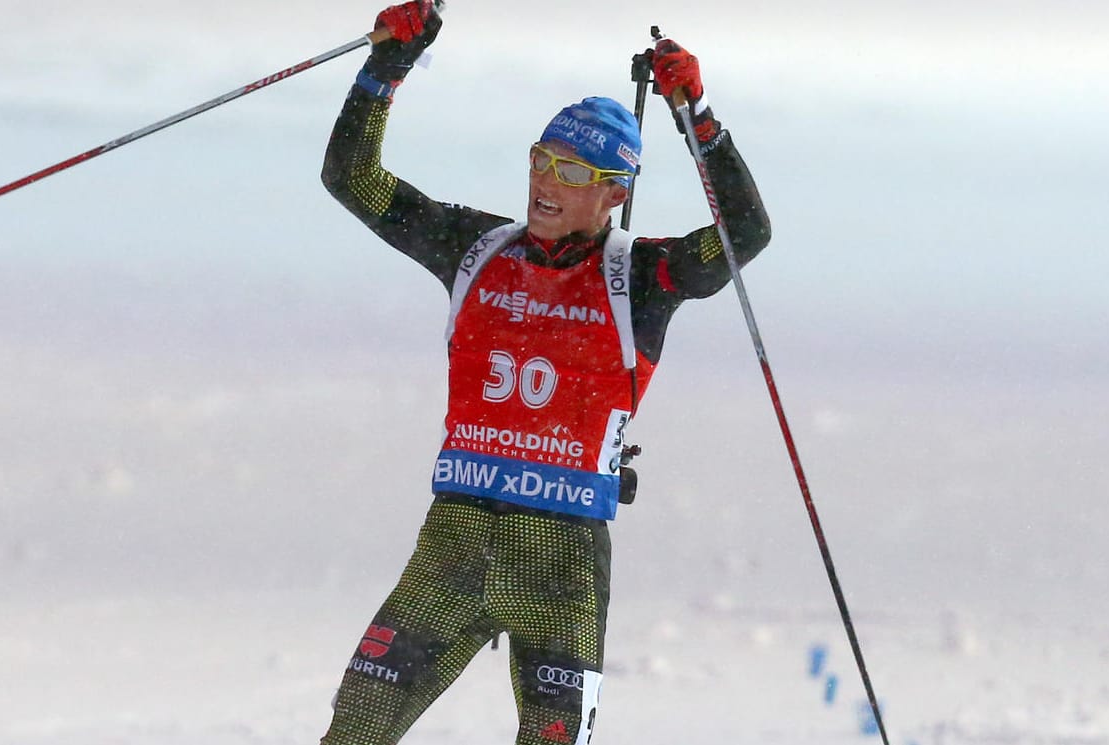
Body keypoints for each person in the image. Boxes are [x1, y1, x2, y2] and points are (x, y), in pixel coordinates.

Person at [318, 2, 770, 743]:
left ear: (612, 192)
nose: (544, 180)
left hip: (560, 564)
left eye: (570, 169)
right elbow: (352, 178)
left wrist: (700, 119)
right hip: (453, 547)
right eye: (539, 157)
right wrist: (387, 65)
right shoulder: (474, 247)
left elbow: (744, 234)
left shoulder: (644, 276)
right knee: (355, 726)